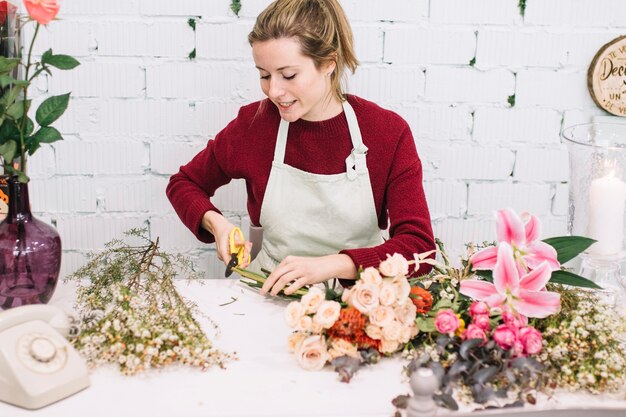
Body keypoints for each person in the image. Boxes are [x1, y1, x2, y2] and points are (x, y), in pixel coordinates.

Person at [166, 0, 435, 297]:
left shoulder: (387, 132)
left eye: (289, 75)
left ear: (329, 63)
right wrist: (217, 224)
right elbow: (184, 183)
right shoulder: (255, 126)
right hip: (267, 297)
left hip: (361, 306)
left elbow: (419, 247)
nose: (275, 91)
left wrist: (333, 265)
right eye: (264, 75)